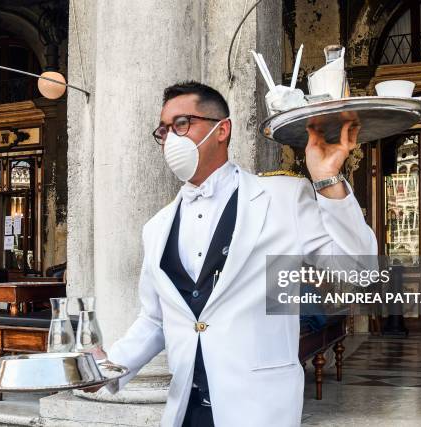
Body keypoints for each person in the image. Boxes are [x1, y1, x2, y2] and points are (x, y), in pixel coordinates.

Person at [103, 81, 377, 427]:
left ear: (222, 129)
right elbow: (156, 319)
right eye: (164, 130)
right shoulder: (156, 227)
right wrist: (108, 367)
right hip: (187, 411)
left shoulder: (283, 198)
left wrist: (326, 178)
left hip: (258, 408)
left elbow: (360, 272)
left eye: (182, 124)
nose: (172, 138)